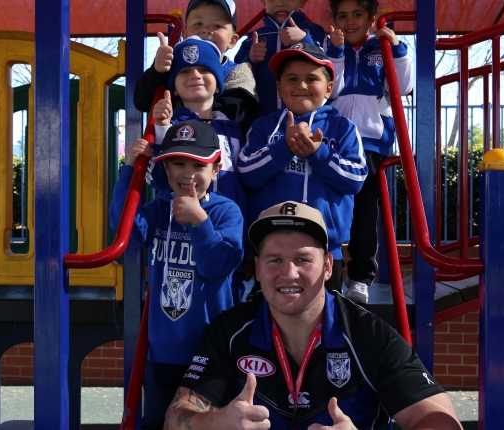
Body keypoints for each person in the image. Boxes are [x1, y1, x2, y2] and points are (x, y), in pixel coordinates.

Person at [163, 201, 463, 430]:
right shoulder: (228, 331)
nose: (288, 273)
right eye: (275, 259)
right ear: (256, 268)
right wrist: (216, 423)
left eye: (303, 259)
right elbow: (176, 416)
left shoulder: (370, 336)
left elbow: (442, 421)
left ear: (329, 267)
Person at [109, 120, 244, 430]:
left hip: (208, 348)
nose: (187, 173)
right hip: (163, 346)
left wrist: (199, 222)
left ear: (216, 168)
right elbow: (123, 225)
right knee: (157, 420)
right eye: (177, 164)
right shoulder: (158, 210)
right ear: (166, 171)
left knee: (204, 423)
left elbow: (217, 266)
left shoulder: (226, 212)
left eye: (197, 164)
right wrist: (129, 168)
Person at [237, 43, 366, 294]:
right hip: (271, 246)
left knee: (327, 322)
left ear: (329, 88)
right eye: (292, 78)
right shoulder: (264, 127)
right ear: (278, 86)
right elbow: (246, 172)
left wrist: (318, 153)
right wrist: (284, 147)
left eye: (311, 79)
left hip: (325, 247)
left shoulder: (343, 127)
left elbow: (356, 178)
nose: (302, 85)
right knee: (268, 319)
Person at [150, 36, 250, 301]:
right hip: (180, 244)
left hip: (226, 233)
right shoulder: (171, 126)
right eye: (184, 71)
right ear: (174, 86)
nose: (195, 75)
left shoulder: (234, 129)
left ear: (218, 83)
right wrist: (161, 130)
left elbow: (245, 184)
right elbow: (160, 179)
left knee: (229, 305)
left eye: (205, 70)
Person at [326, 0, 413, 304]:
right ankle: (331, 272)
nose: (350, 22)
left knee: (365, 212)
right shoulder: (331, 47)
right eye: (343, 16)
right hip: (336, 141)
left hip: (372, 142)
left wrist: (398, 50)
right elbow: (330, 89)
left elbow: (402, 87)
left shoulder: (382, 47)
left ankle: (360, 277)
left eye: (358, 15)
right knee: (332, 209)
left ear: (372, 18)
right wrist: (335, 54)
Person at [133, 0, 258, 133]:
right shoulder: (173, 67)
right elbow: (141, 102)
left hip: (222, 146)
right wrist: (157, 71)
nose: (206, 30)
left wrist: (190, 99)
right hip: (173, 144)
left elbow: (237, 112)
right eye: (198, 24)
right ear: (185, 34)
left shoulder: (239, 71)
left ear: (232, 40)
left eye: (217, 25)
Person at [234, 0, 325, 118]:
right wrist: (250, 59)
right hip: (261, 120)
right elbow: (235, 77)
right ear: (264, 2)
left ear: (302, 2)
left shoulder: (314, 31)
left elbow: (327, 67)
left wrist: (305, 40)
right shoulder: (252, 38)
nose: (280, 3)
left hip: (305, 120)